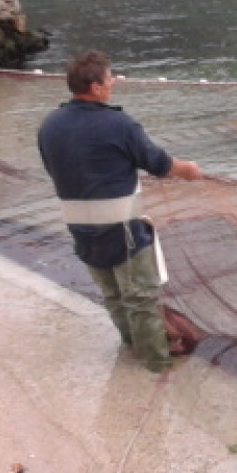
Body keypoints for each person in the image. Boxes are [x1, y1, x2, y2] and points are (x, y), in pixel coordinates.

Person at [37, 50, 203, 373]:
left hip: (80, 229)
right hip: (122, 232)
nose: (114, 82)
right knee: (141, 299)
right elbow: (159, 163)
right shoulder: (118, 124)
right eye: (109, 78)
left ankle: (131, 348)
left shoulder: (50, 125)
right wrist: (189, 171)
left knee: (112, 295)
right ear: (95, 87)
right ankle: (157, 364)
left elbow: (54, 168)